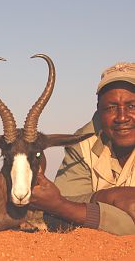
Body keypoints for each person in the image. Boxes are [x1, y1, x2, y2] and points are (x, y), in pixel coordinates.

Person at [30, 62, 135, 235]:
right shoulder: (83, 142)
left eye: (132, 106)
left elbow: (62, 206)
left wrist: (66, 207)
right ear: (99, 111)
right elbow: (57, 207)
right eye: (111, 108)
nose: (122, 117)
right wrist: (111, 197)